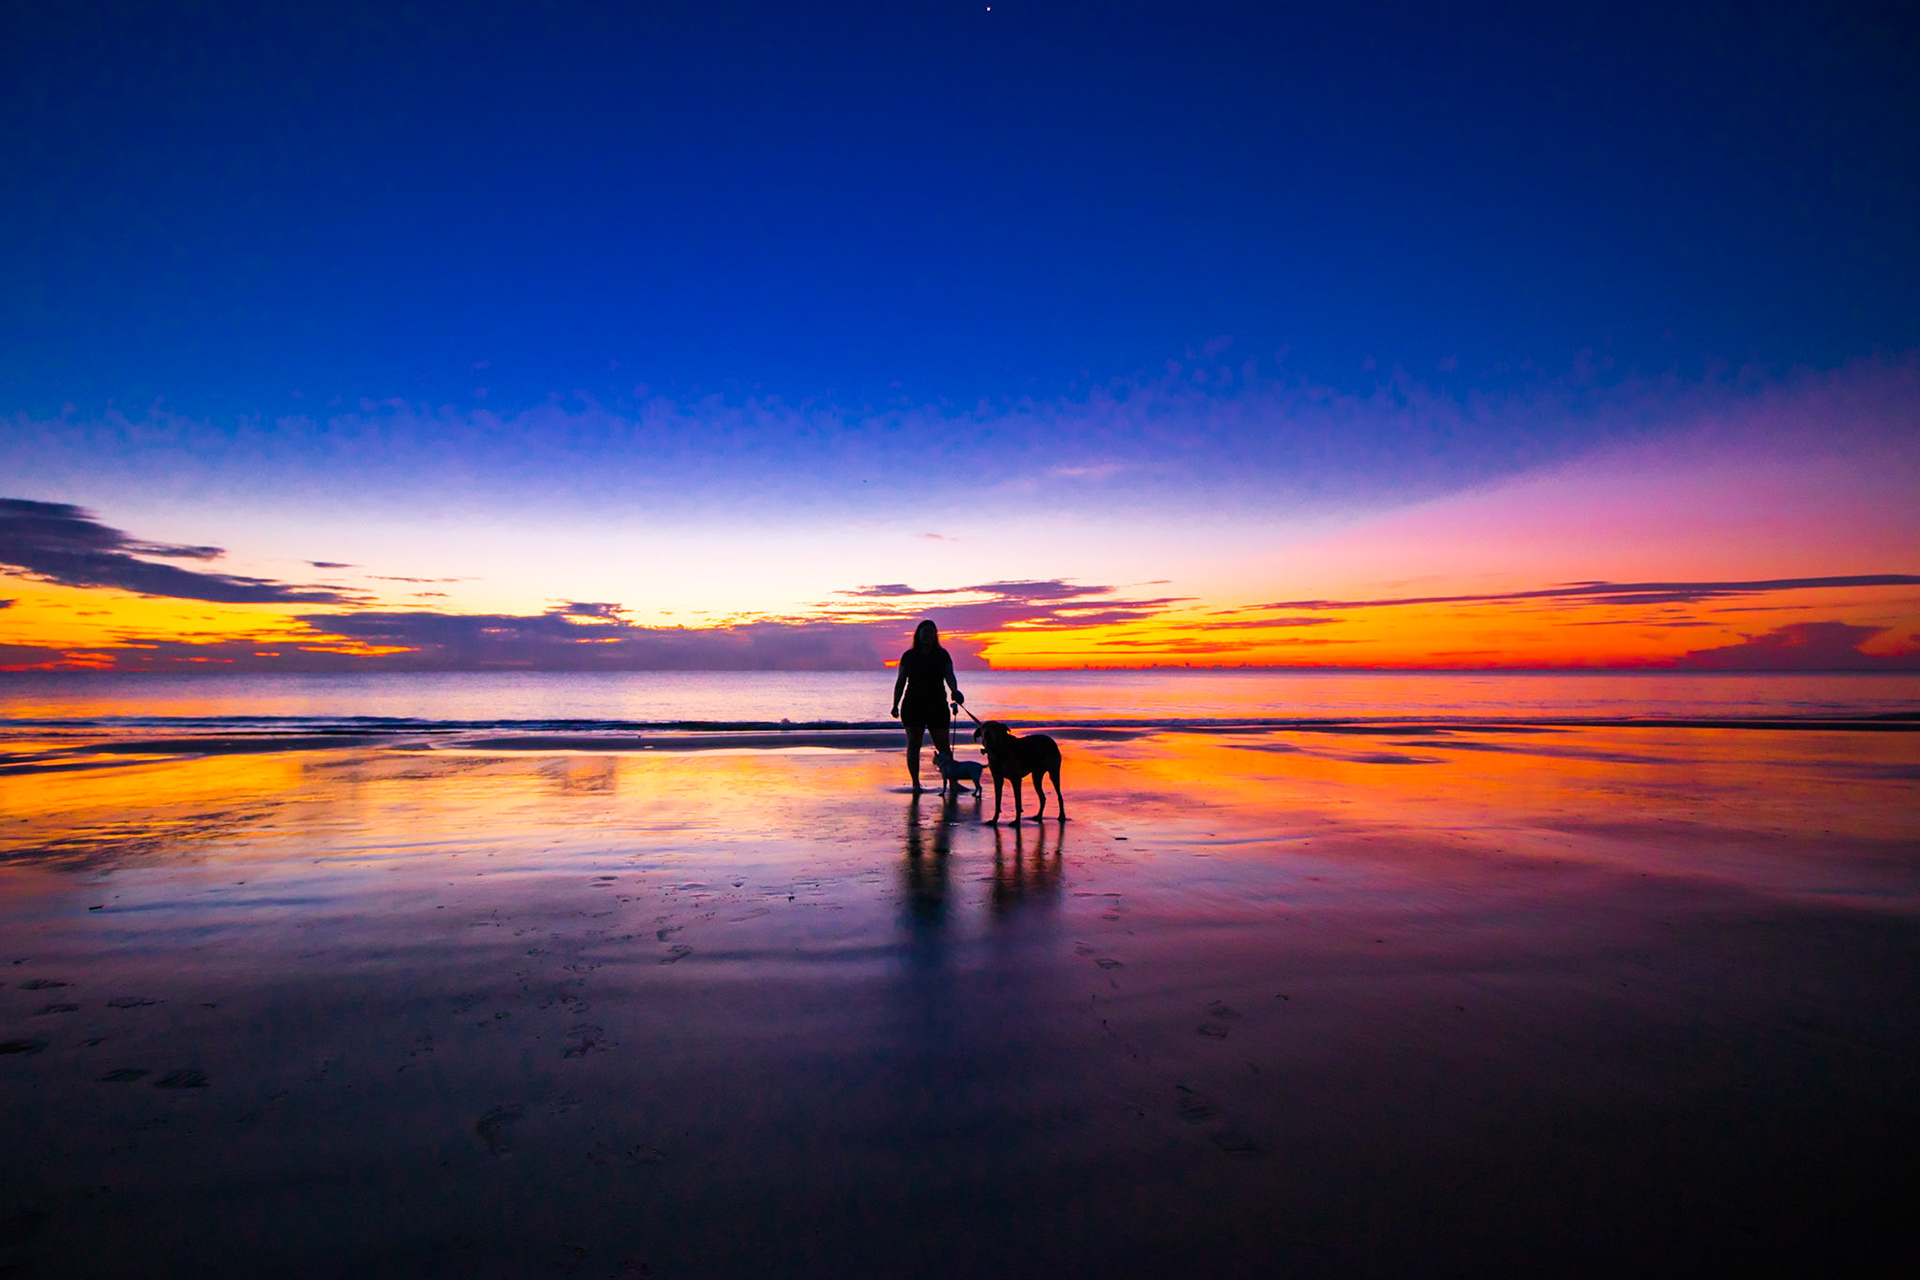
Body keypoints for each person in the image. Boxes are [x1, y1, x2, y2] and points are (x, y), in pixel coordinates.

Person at [890, 620, 965, 793]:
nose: (928, 636)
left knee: (944, 746)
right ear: (918, 635)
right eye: (925, 632)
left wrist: (955, 691)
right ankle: (916, 783)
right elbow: (901, 681)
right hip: (913, 705)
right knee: (914, 744)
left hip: (937, 704)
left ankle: (952, 782)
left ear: (935, 636)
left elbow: (950, 676)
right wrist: (895, 704)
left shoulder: (942, 655)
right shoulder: (909, 656)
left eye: (931, 633)